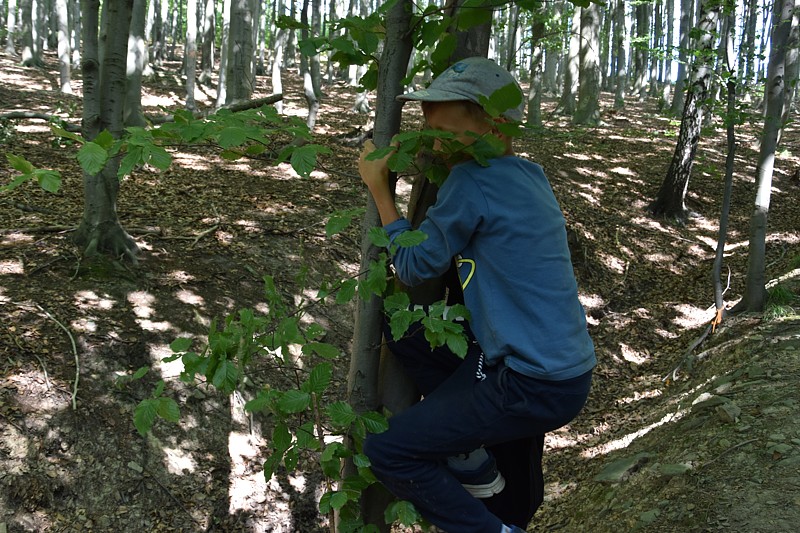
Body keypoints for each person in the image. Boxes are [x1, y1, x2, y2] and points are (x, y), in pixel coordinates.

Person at [358, 56, 596, 533]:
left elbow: (412, 264)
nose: (439, 146)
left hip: (530, 382)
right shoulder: (531, 175)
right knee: (410, 337)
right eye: (432, 133)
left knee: (390, 450)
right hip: (558, 369)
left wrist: (379, 188)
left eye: (450, 132)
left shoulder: (470, 181)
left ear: (497, 125)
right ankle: (471, 457)